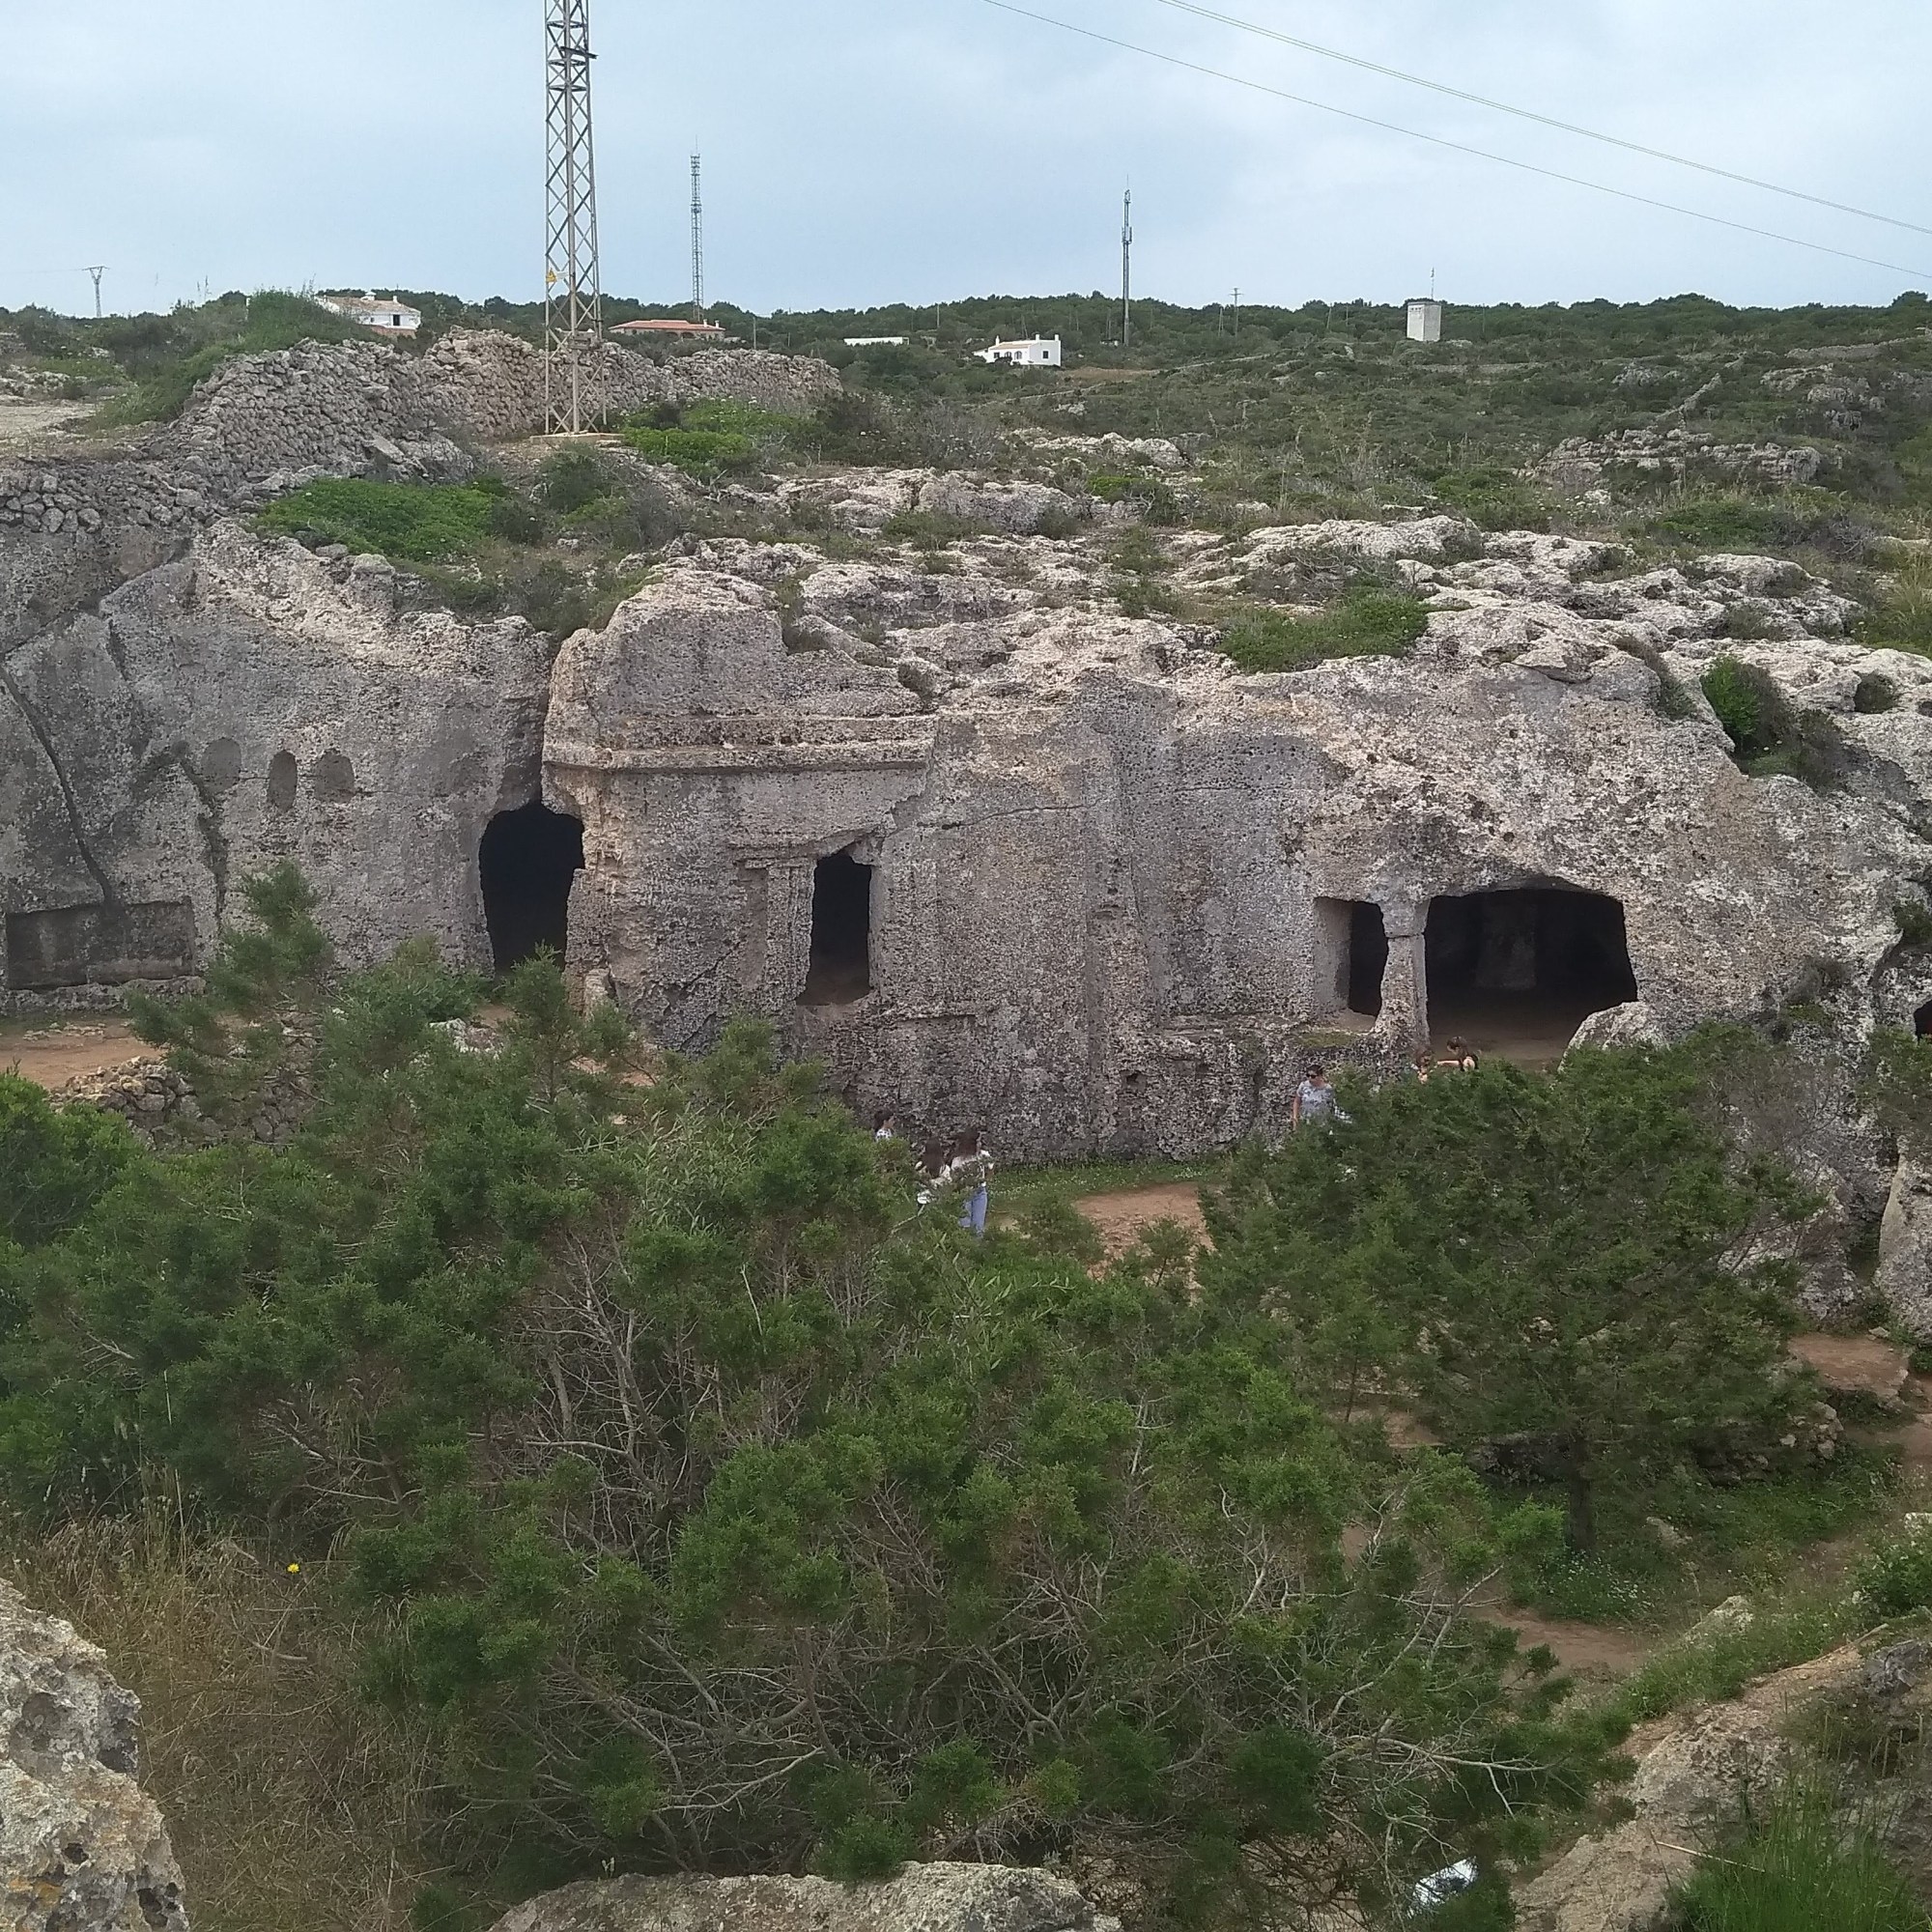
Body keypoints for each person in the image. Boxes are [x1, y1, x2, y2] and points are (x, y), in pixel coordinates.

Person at [950, 1130, 993, 1238]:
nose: (980, 1144)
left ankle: (977, 1246)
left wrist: (986, 1179)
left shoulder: (983, 1155)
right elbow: (954, 1180)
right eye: (978, 1142)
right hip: (964, 1194)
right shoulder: (958, 1161)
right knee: (964, 1225)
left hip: (979, 1193)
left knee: (978, 1227)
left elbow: (991, 1167)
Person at [1292, 1064, 1340, 1130]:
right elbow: (1297, 1101)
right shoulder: (1304, 1086)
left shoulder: (1328, 1089)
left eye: (1313, 1076)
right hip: (1305, 1123)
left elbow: (1334, 1107)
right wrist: (1295, 1118)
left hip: (1322, 1125)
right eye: (1308, 1075)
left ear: (1320, 1076)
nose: (1310, 1078)